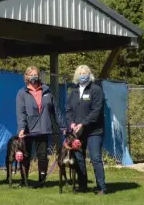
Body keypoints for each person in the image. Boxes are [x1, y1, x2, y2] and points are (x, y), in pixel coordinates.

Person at [15, 65, 63, 187]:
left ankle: (42, 179)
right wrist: (21, 128)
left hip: (43, 128)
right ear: (26, 77)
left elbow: (55, 110)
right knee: (26, 156)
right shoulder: (22, 93)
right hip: (28, 130)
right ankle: (24, 180)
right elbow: (21, 113)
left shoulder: (47, 90)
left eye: (35, 74)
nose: (33, 77)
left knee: (42, 156)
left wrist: (63, 126)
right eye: (31, 75)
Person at [65, 65, 106, 195]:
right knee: (78, 159)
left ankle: (101, 187)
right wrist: (71, 123)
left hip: (94, 131)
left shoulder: (96, 90)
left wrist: (82, 123)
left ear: (90, 74)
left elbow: (96, 110)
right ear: (77, 75)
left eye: (85, 73)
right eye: (80, 73)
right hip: (78, 132)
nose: (83, 75)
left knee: (95, 158)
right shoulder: (73, 91)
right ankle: (83, 185)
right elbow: (69, 110)